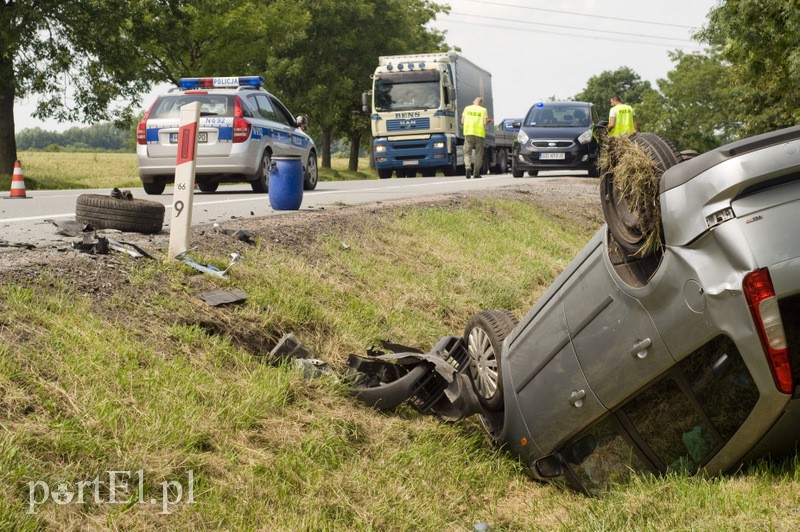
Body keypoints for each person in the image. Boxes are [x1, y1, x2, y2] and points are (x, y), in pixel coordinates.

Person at [461, 97, 492, 179]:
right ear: (481, 103)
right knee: (479, 154)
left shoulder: (467, 108)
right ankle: (476, 173)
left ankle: (468, 167)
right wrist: (488, 121)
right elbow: (484, 123)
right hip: (479, 135)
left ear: (474, 101)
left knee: (467, 153)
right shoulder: (483, 110)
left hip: (468, 133)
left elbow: (462, 121)